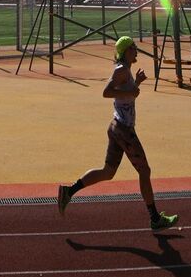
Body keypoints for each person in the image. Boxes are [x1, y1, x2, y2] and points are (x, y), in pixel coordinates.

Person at [57, 35, 179, 231]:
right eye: (133, 47)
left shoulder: (127, 71)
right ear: (125, 51)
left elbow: (125, 95)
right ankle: (155, 218)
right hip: (123, 129)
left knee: (108, 172)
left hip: (117, 126)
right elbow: (107, 92)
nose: (136, 50)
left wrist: (136, 85)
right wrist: (132, 91)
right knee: (144, 171)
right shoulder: (121, 70)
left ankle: (69, 191)